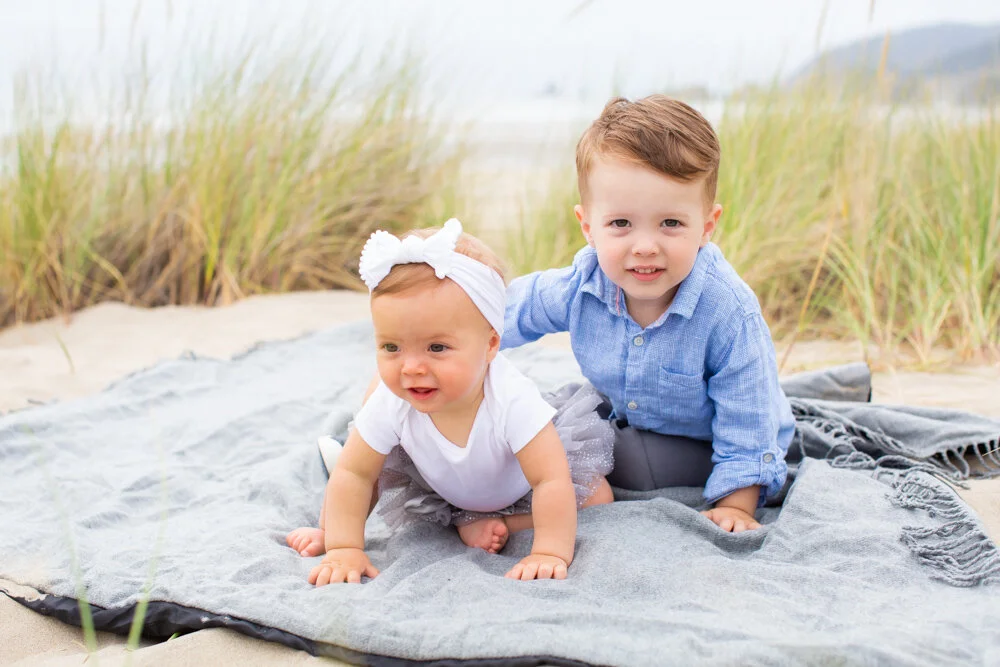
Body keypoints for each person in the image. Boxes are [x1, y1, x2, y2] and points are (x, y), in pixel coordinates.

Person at [502, 95, 795, 533]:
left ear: (706, 226)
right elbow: (511, 311)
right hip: (628, 412)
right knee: (540, 420)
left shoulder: (726, 310)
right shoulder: (584, 283)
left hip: (704, 440)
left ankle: (545, 504)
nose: (644, 246)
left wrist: (736, 506)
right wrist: (448, 333)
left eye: (670, 224)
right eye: (621, 224)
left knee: (620, 461)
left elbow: (747, 418)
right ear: (588, 227)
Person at [287, 219, 614, 584]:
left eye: (437, 347)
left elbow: (549, 479)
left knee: (596, 496)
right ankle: (332, 527)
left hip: (520, 487)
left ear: (490, 345)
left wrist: (549, 551)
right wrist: (343, 547)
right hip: (444, 486)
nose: (411, 368)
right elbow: (355, 474)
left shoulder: (511, 398)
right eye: (392, 347)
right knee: (366, 464)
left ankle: (500, 523)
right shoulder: (394, 399)